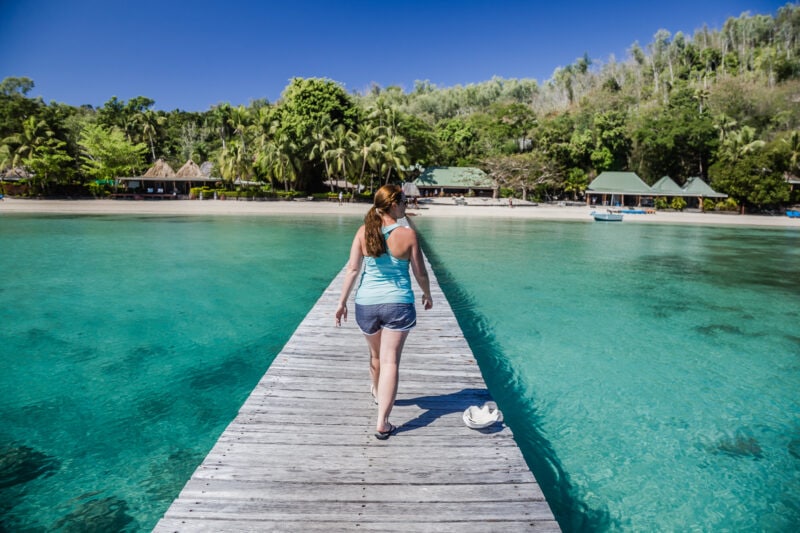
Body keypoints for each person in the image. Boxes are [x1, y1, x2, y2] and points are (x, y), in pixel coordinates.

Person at [335, 184, 433, 440]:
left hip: (366, 304)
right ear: (393, 204)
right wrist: (427, 293)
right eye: (403, 202)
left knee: (376, 356)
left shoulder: (362, 232)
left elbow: (352, 270)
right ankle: (383, 422)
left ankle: (379, 393)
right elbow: (420, 272)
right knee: (390, 361)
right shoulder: (408, 235)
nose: (406, 207)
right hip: (398, 304)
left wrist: (341, 302)